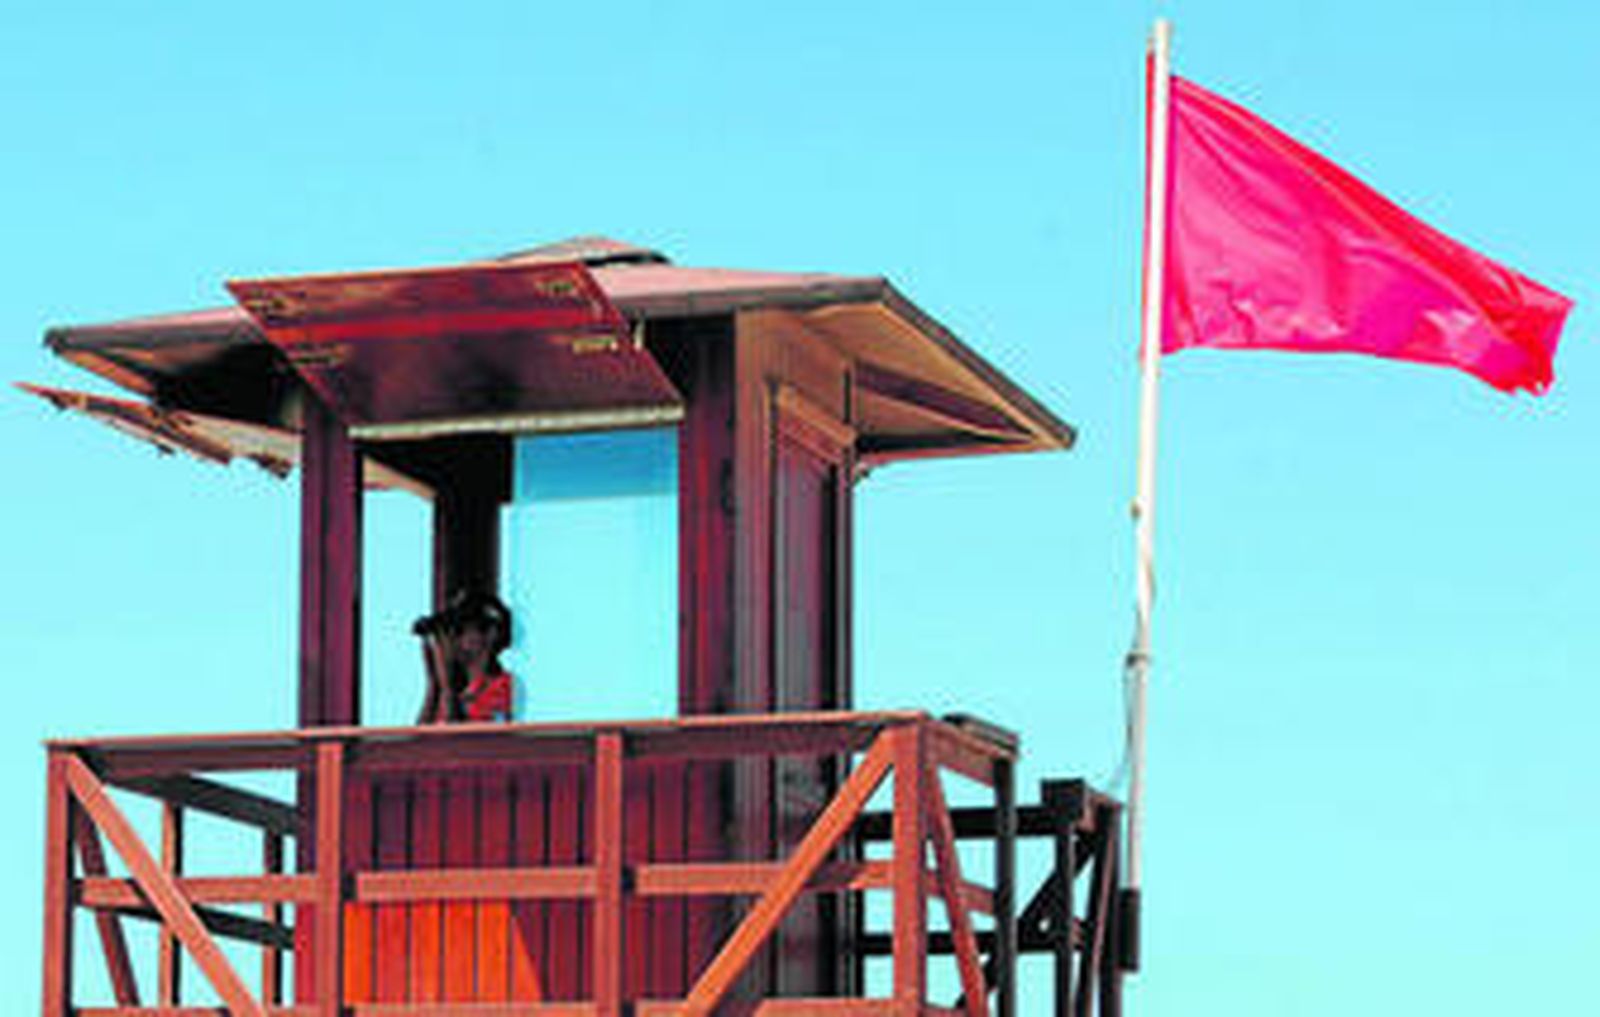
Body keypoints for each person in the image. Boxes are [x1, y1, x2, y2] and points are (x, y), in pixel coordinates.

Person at [414, 590, 516, 723]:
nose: (450, 641)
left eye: (458, 630)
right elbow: (420, 742)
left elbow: (463, 740)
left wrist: (446, 687)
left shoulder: (502, 688)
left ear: (491, 634)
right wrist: (433, 686)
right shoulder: (454, 696)